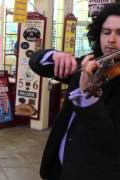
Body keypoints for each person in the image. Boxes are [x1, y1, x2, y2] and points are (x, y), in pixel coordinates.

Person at [29, 2, 120, 180]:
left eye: (119, 33)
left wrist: (88, 98)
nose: (111, 39)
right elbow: (36, 62)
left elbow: (110, 140)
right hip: (59, 170)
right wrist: (55, 55)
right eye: (106, 32)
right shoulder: (89, 64)